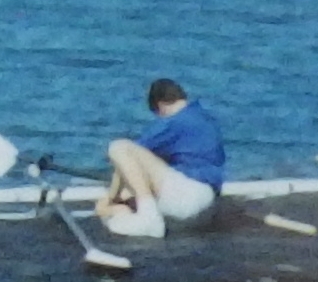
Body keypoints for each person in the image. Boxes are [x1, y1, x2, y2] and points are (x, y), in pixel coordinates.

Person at [95, 77, 223, 238]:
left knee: (119, 147)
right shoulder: (204, 117)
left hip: (187, 199)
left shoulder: (173, 123)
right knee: (128, 196)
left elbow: (129, 158)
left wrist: (110, 198)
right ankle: (137, 213)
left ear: (160, 105)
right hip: (208, 205)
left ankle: (149, 218)